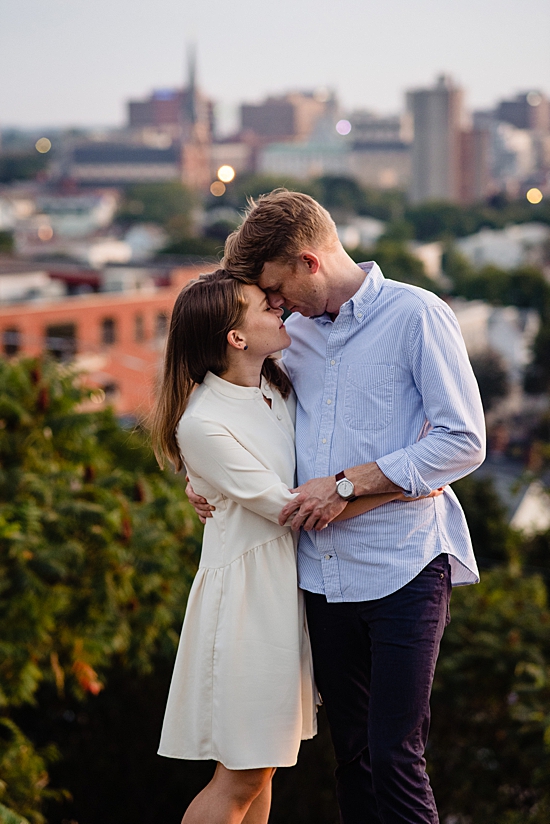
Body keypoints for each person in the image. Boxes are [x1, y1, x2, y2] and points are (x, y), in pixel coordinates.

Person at [187, 192, 486, 824]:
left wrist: (355, 483)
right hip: (319, 579)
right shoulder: (288, 335)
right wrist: (208, 479)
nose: (277, 305)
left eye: (277, 289)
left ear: (307, 262)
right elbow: (235, 407)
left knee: (396, 755)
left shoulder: (417, 316)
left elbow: (463, 441)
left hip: (405, 568)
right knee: (351, 756)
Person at [151, 270, 436, 824]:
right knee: (240, 778)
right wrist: (402, 485)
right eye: (264, 307)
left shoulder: (272, 387)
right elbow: (292, 509)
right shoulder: (204, 422)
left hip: (287, 595)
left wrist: (203, 483)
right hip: (246, 606)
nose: (279, 309)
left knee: (264, 771)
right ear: (236, 337)